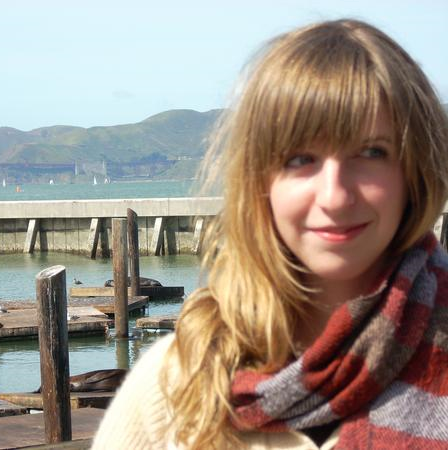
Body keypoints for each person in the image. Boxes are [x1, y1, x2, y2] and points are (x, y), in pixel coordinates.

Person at [92, 19, 448, 449]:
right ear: (259, 182)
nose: (335, 196)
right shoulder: (174, 387)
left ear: (415, 173)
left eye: (372, 152)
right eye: (300, 159)